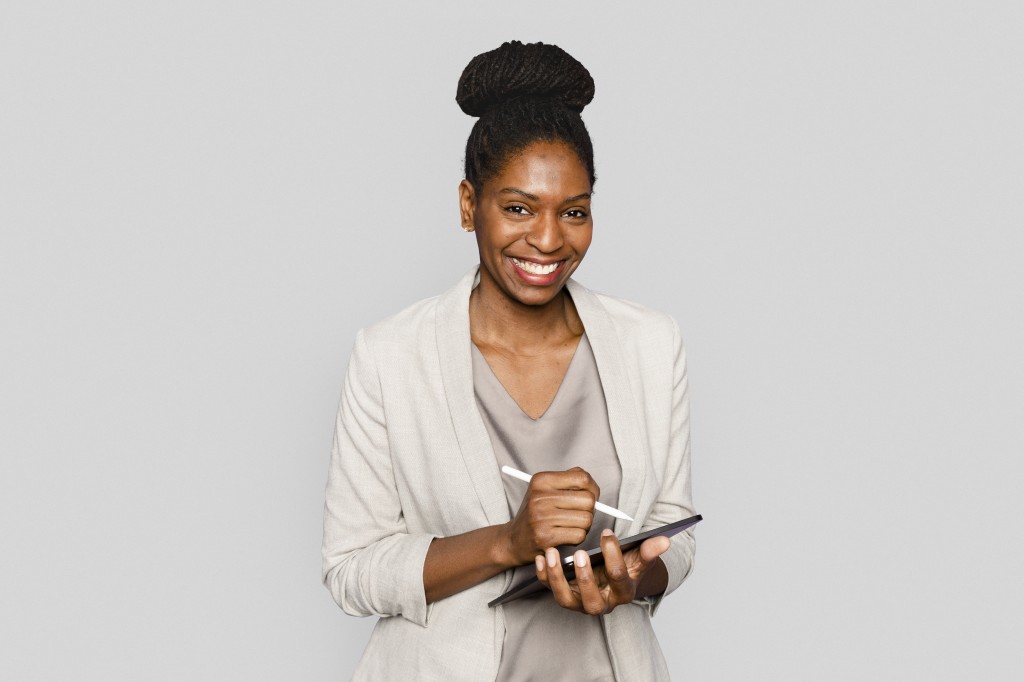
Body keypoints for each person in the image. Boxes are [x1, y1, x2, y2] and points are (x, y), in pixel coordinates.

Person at [322, 40, 696, 681]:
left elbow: (674, 534)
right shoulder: (390, 356)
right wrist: (508, 543)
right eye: (518, 207)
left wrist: (632, 578)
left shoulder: (651, 344)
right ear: (470, 205)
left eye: (573, 212)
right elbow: (352, 570)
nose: (548, 239)